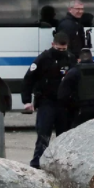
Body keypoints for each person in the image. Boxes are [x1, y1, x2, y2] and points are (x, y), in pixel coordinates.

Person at [22, 32, 76, 169]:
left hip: (64, 104)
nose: (61, 52)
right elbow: (29, 79)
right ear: (53, 45)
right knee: (43, 134)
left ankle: (63, 165)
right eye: (59, 49)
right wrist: (27, 101)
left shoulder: (70, 58)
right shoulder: (43, 59)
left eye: (64, 49)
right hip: (47, 101)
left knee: (64, 136)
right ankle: (37, 164)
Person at [57, 48, 94, 128]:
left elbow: (62, 94)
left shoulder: (74, 71)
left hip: (82, 110)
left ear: (79, 59)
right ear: (92, 58)